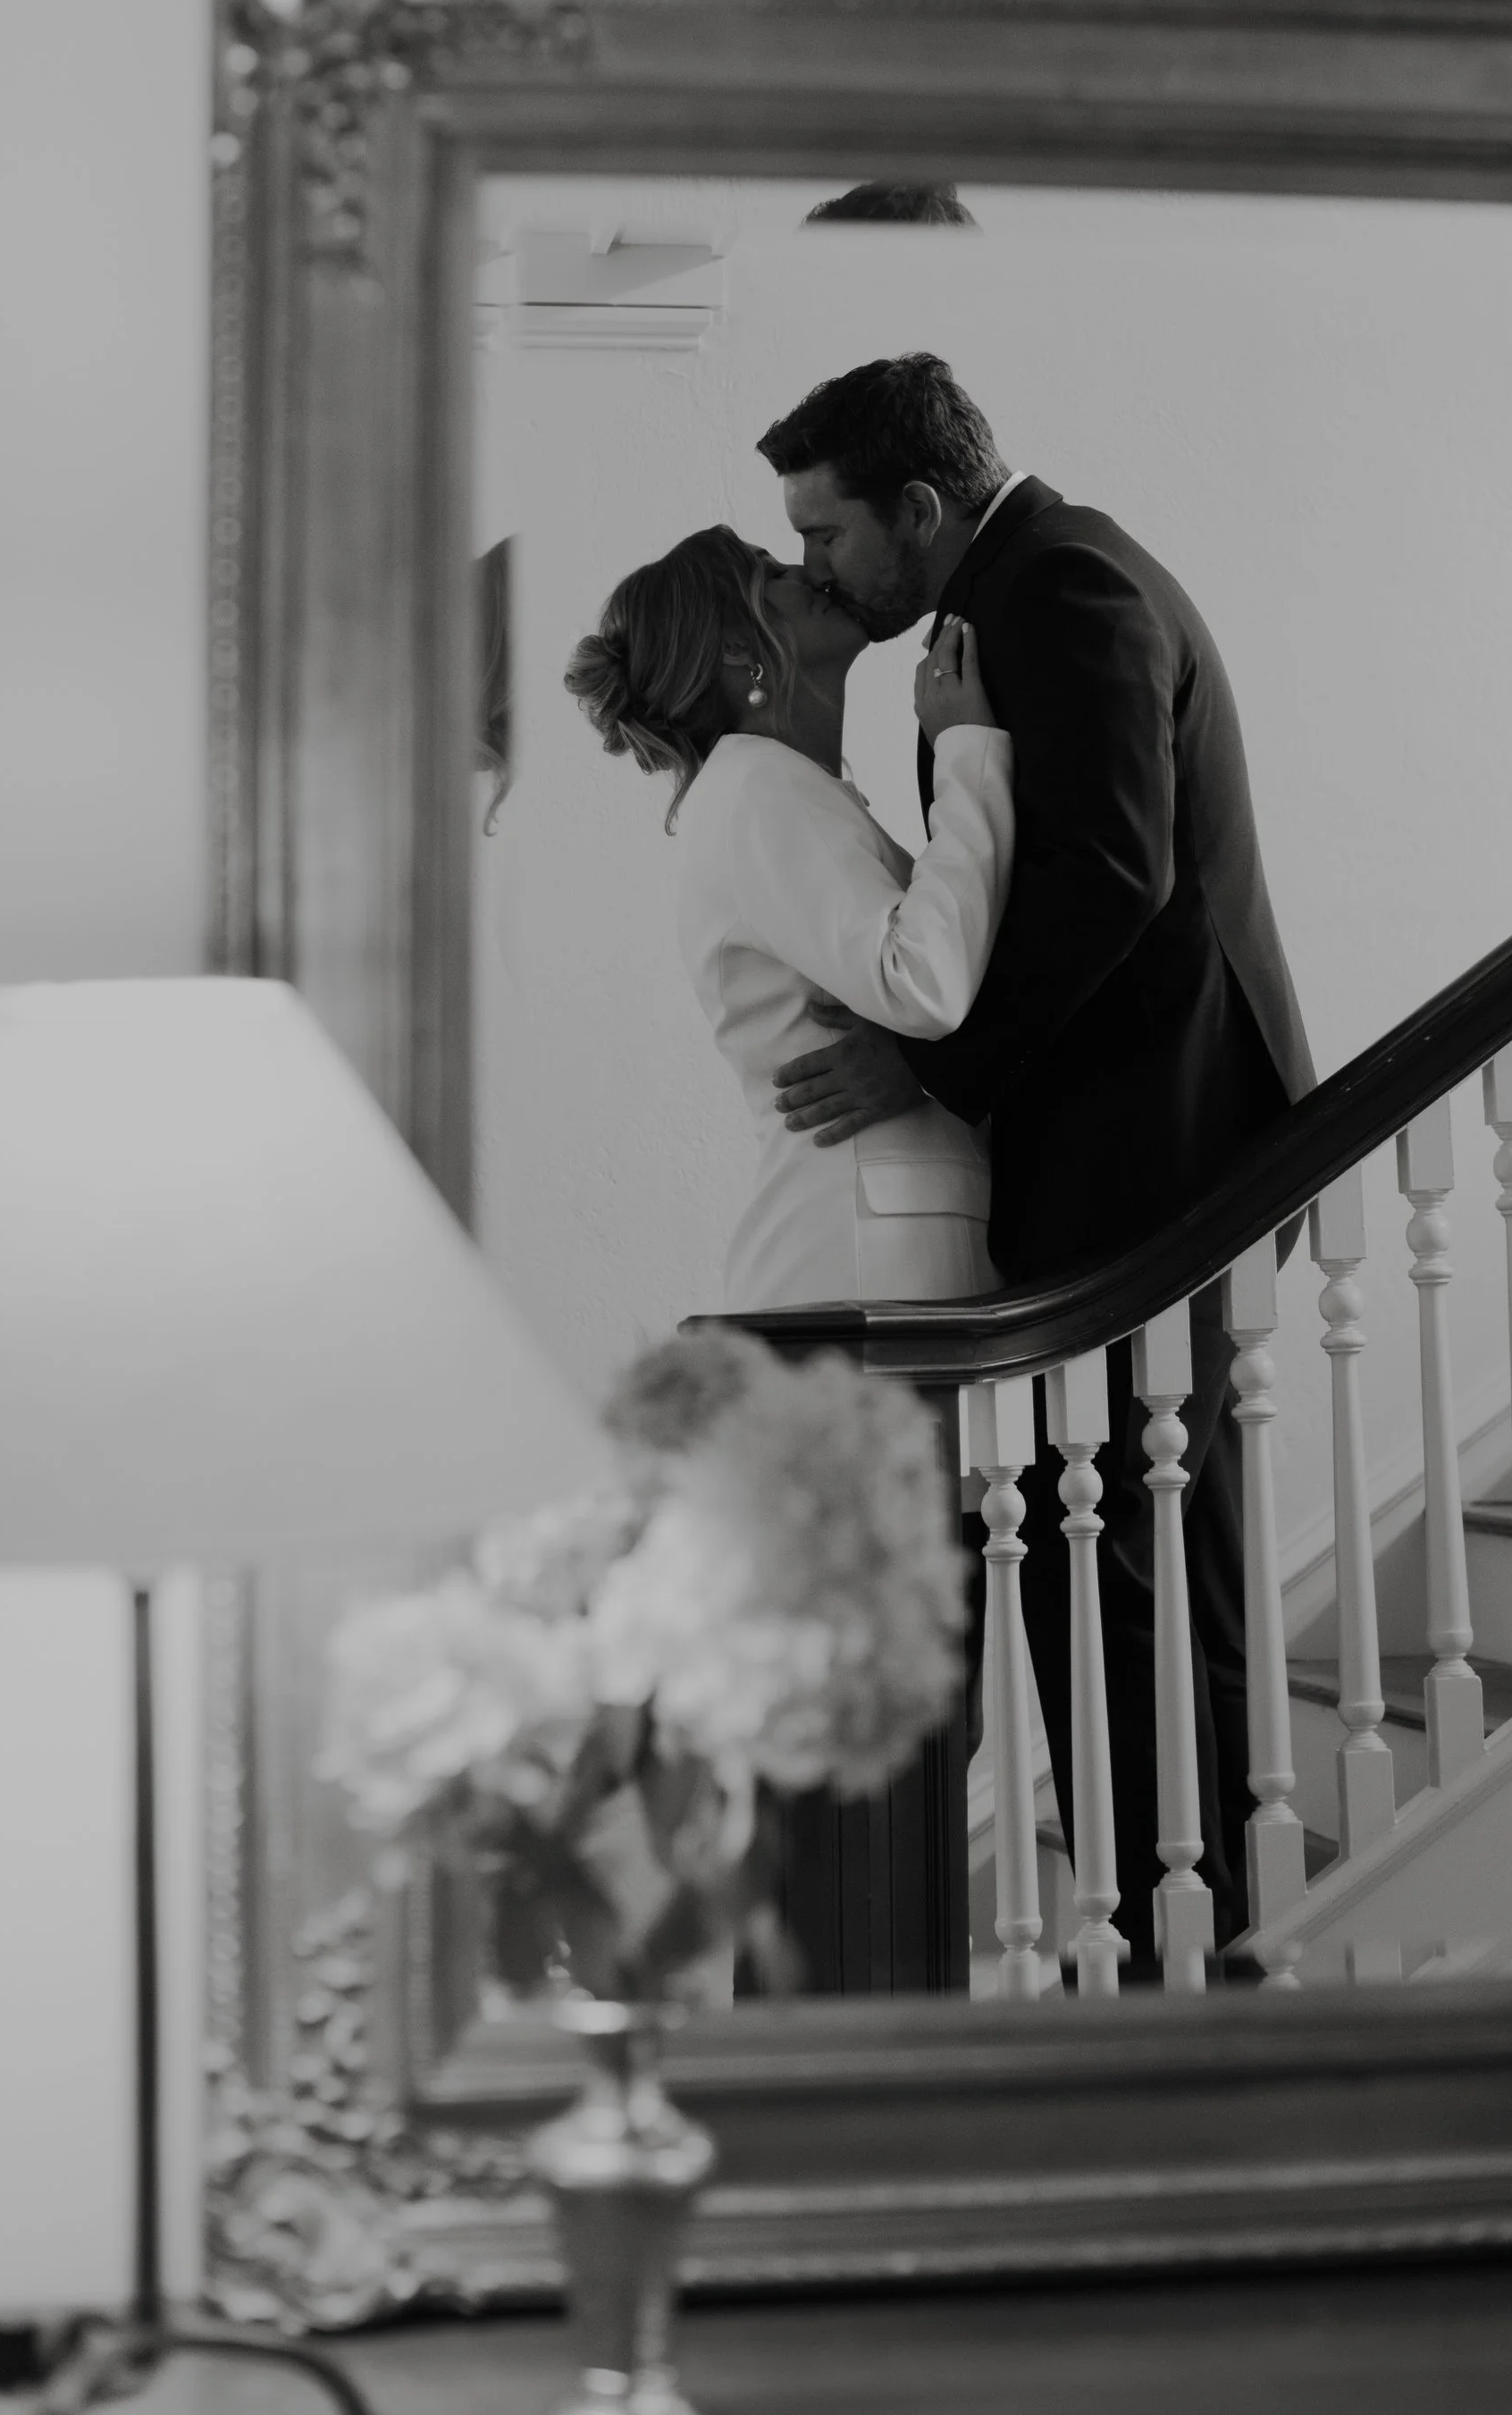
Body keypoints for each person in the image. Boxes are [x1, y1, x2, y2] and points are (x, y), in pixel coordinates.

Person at [756, 354, 1315, 1958]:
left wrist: (929, 1057)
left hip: (1156, 1151)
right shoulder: (1025, 581)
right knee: (1128, 1554)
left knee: (1133, 1569)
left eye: (825, 533)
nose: (812, 569)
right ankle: (1184, 1934)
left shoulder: (1061, 585)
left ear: (918, 508)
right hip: (1141, 1146)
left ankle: (1186, 1948)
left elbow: (1113, 875)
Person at [564, 524, 1013, 1319]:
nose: (809, 571)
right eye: (771, 573)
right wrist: (968, 756)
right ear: (743, 649)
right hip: (864, 1261)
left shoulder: (787, 794)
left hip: (883, 1252)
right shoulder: (758, 790)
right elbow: (924, 983)